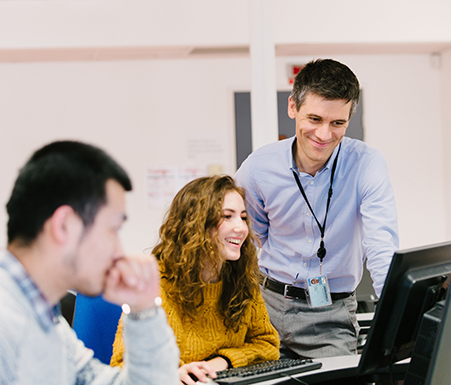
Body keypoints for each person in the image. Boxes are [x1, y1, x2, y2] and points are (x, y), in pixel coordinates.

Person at [234, 58, 399, 359]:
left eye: (338, 123)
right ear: (293, 108)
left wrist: (397, 316)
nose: (324, 135)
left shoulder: (366, 164)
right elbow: (244, 241)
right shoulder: (258, 168)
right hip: (266, 307)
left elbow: (381, 246)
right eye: (314, 119)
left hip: (331, 316)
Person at [0, 141, 179, 384]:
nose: (119, 252)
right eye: (113, 229)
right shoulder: (8, 322)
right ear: (65, 225)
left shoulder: (49, 323)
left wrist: (144, 310)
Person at [110, 175, 279, 384]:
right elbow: (121, 367)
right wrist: (174, 373)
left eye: (243, 217)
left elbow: (268, 344)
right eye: (227, 216)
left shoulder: (242, 278)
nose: (242, 228)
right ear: (196, 224)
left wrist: (224, 360)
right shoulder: (157, 285)